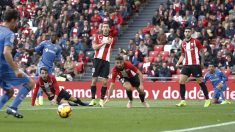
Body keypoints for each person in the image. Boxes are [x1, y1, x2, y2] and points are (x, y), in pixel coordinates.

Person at [0, 9, 35, 118]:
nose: (16, 25)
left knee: (9, 91)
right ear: (13, 20)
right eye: (16, 22)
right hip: (3, 67)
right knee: (30, 83)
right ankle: (12, 107)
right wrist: (16, 69)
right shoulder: (9, 34)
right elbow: (6, 52)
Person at [175, 27, 211, 107]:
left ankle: (207, 100)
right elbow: (182, 55)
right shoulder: (183, 43)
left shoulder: (196, 41)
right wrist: (178, 63)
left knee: (200, 82)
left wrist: (202, 63)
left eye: (188, 31)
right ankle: (183, 101)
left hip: (195, 65)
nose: (187, 33)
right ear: (184, 33)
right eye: (185, 31)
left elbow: (202, 52)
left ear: (191, 33)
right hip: (186, 65)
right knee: (181, 81)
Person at [24, 32, 62, 106]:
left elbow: (58, 59)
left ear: (57, 38)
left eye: (55, 36)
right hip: (42, 65)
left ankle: (53, 99)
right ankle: (38, 98)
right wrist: (27, 50)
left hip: (50, 68)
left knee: (49, 85)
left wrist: (58, 62)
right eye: (52, 35)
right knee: (40, 82)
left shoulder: (58, 48)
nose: (53, 37)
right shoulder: (45, 43)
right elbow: (35, 49)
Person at [89, 22, 115, 107]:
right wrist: (104, 42)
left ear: (109, 28)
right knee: (94, 80)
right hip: (97, 60)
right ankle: (93, 100)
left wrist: (109, 61)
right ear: (102, 28)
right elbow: (94, 47)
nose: (105, 28)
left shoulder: (112, 39)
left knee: (104, 82)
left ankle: (101, 100)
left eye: (107, 27)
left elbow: (110, 50)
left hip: (106, 62)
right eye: (104, 27)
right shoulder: (97, 37)